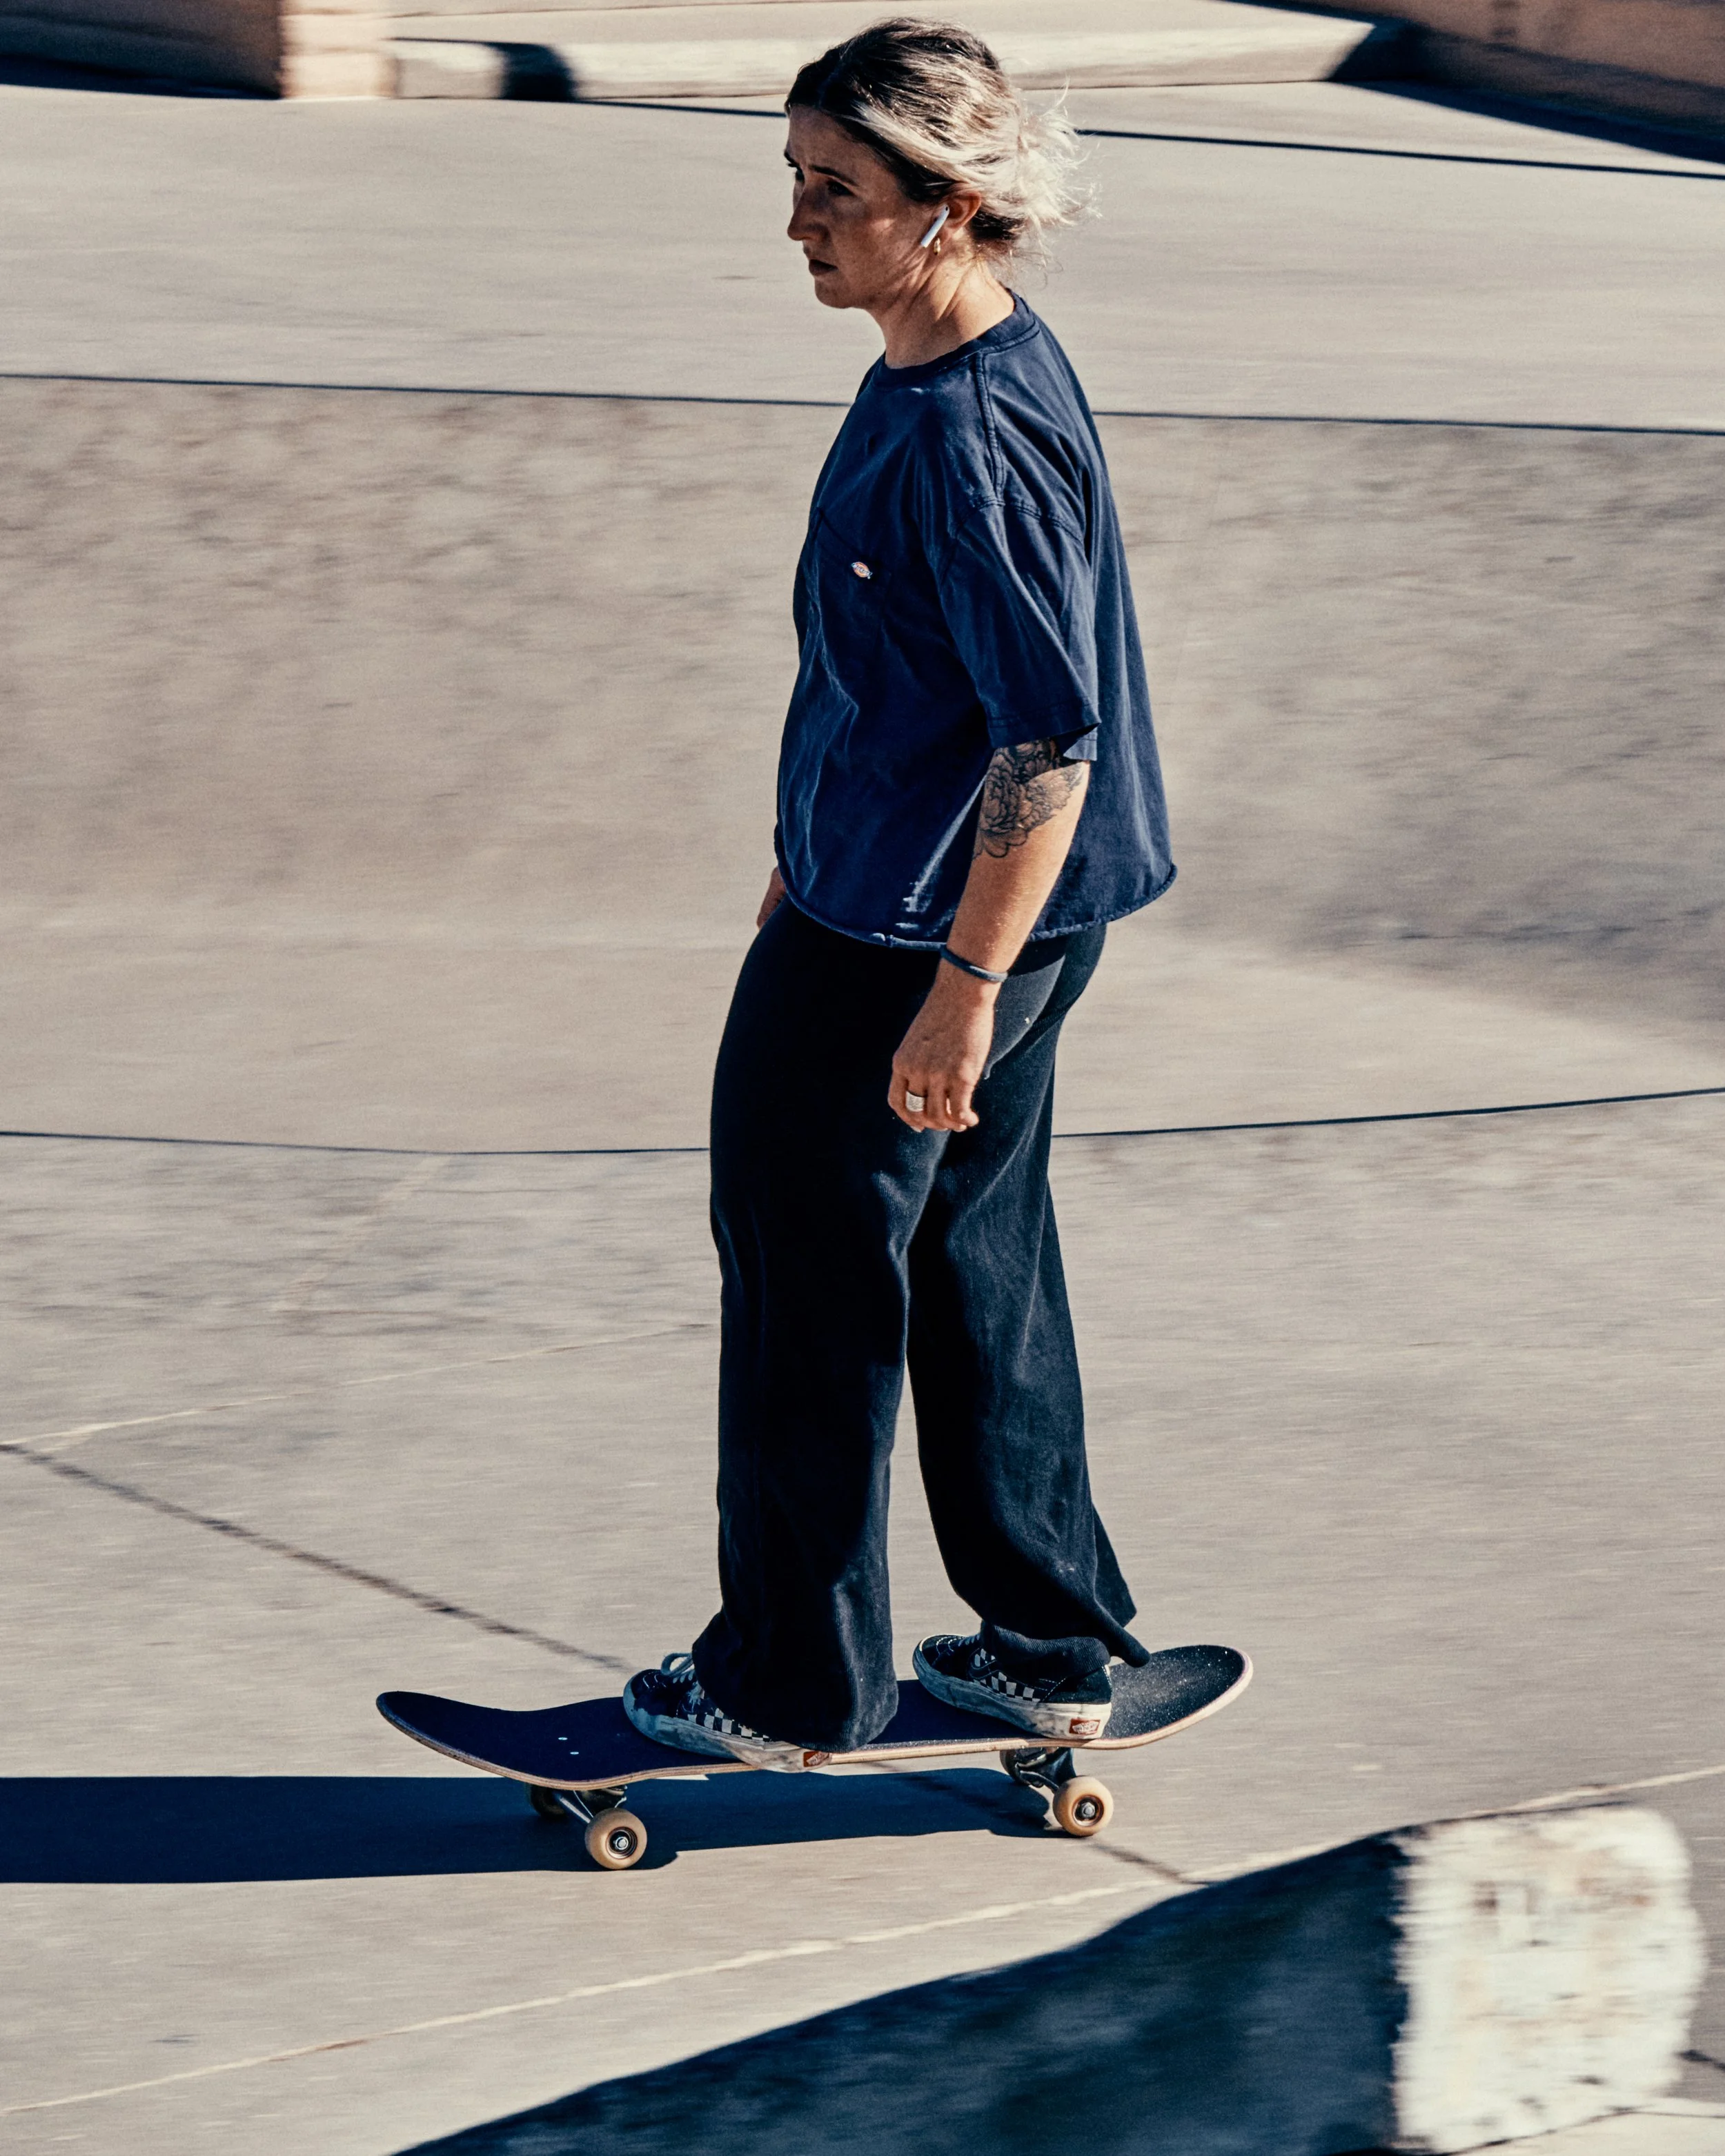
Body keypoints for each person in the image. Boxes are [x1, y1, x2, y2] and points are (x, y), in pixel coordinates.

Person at [623, 17, 1174, 1768]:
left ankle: (787, 1679)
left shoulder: (964, 434)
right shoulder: (954, 361)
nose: (798, 221)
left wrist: (960, 989)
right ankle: (1050, 1638)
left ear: (942, 208)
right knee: (969, 1262)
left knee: (807, 1277)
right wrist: (813, 839)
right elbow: (915, 686)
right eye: (790, 180)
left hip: (926, 937)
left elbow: (1044, 742)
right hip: (920, 901)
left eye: (835, 190)